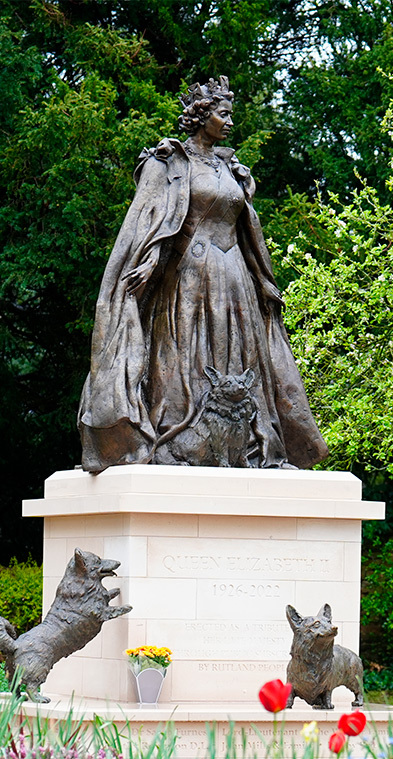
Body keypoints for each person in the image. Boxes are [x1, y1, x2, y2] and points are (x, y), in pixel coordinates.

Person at [77, 76, 329, 473]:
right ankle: (179, 437)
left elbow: (246, 230)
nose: (229, 121)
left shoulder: (231, 167)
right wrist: (148, 258)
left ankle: (249, 443)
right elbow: (146, 220)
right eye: (223, 113)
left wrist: (263, 278)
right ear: (202, 116)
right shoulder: (170, 162)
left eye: (230, 114)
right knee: (185, 355)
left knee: (244, 354)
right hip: (189, 273)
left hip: (235, 277)